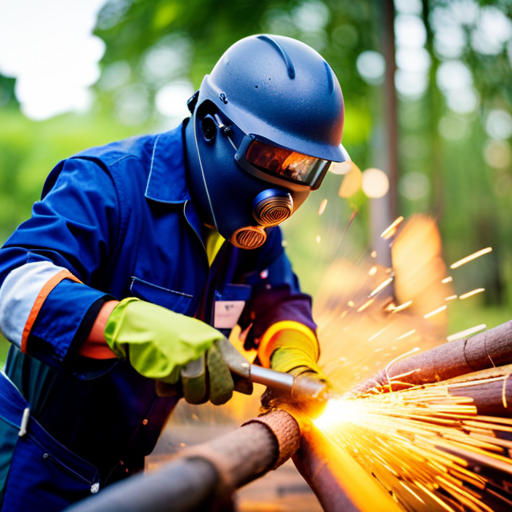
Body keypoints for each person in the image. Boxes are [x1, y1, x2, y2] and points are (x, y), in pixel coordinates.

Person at [0, 34, 345, 511]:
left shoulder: (252, 229)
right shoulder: (108, 184)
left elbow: (277, 299)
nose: (280, 193)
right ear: (209, 126)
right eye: (268, 158)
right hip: (34, 458)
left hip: (124, 466)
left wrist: (294, 357)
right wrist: (127, 325)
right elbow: (13, 281)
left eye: (305, 168)